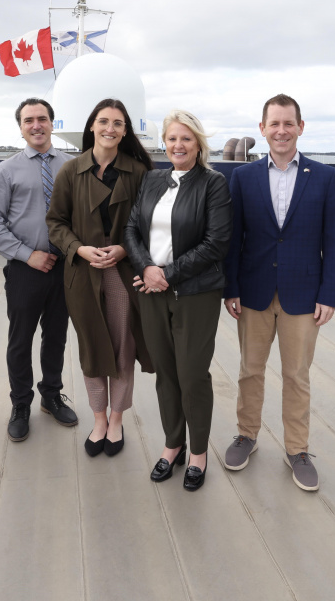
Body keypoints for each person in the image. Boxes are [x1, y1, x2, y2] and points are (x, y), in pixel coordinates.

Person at [221, 94, 335, 492]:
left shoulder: (324, 178)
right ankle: (246, 434)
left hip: (304, 296)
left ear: (300, 127)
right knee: (249, 370)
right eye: (273, 124)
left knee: (297, 375)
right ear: (262, 129)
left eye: (288, 123)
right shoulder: (242, 178)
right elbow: (234, 238)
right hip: (253, 291)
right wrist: (231, 288)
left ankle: (297, 449)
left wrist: (330, 294)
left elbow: (333, 240)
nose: (281, 131)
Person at [124, 110, 231, 491]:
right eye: (171, 139)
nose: (178, 146)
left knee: (192, 374)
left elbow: (217, 242)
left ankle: (198, 453)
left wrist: (166, 274)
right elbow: (132, 228)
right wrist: (147, 268)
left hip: (195, 294)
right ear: (164, 143)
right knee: (165, 371)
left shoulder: (213, 183)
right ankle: (173, 446)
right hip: (152, 291)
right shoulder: (153, 180)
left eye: (186, 139)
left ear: (198, 143)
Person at [46, 98, 154, 457]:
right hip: (83, 273)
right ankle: (98, 419)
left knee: (124, 346)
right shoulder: (69, 171)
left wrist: (124, 249)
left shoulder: (139, 172)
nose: (110, 128)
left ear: (125, 131)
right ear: (91, 126)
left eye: (118, 123)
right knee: (92, 347)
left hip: (123, 273)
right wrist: (78, 248)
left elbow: (148, 225)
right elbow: (55, 222)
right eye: (104, 121)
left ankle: (118, 418)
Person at [0, 98, 79, 442]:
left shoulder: (72, 166)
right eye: (28, 120)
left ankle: (51, 395)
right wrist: (26, 254)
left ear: (52, 123)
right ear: (20, 127)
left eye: (42, 119)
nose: (36, 125)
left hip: (65, 267)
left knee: (57, 336)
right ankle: (21, 403)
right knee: (20, 340)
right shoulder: (6, 170)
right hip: (26, 269)